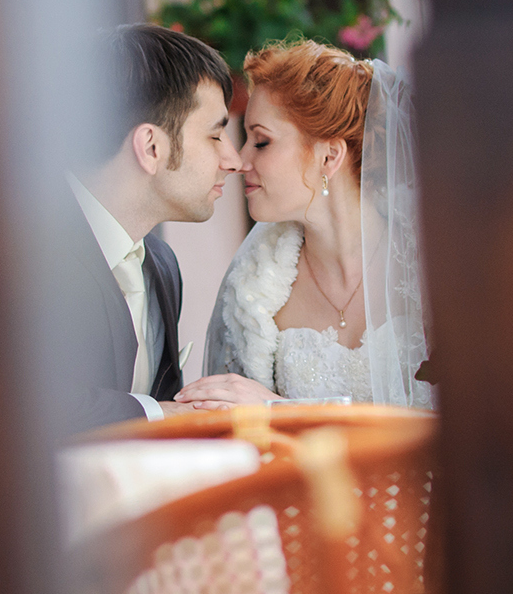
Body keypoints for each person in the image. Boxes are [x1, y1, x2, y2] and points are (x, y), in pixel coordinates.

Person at [179, 38, 434, 409]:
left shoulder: (434, 265)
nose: (239, 160)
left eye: (261, 142)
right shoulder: (253, 283)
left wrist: (279, 411)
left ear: (329, 156)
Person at [58, 23, 241, 432]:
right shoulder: (21, 251)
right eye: (215, 136)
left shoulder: (162, 264)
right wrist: (161, 414)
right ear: (152, 147)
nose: (233, 160)